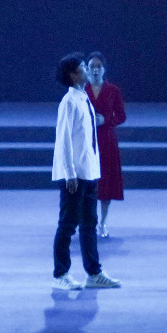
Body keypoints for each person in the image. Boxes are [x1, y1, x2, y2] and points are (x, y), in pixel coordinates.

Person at [51, 55, 117, 291]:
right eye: (82, 67)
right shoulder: (69, 102)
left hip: (88, 172)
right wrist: (70, 173)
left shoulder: (83, 98)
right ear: (73, 75)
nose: (87, 70)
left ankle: (93, 272)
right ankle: (60, 274)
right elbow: (64, 139)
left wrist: (94, 170)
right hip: (75, 174)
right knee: (68, 224)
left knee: (89, 223)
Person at [88, 51, 130, 239]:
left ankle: (103, 222)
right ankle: (89, 221)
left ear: (104, 69)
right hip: (87, 140)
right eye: (92, 67)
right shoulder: (82, 91)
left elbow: (121, 116)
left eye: (98, 67)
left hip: (107, 140)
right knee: (88, 183)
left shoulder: (113, 90)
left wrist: (106, 120)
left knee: (106, 182)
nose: (95, 70)